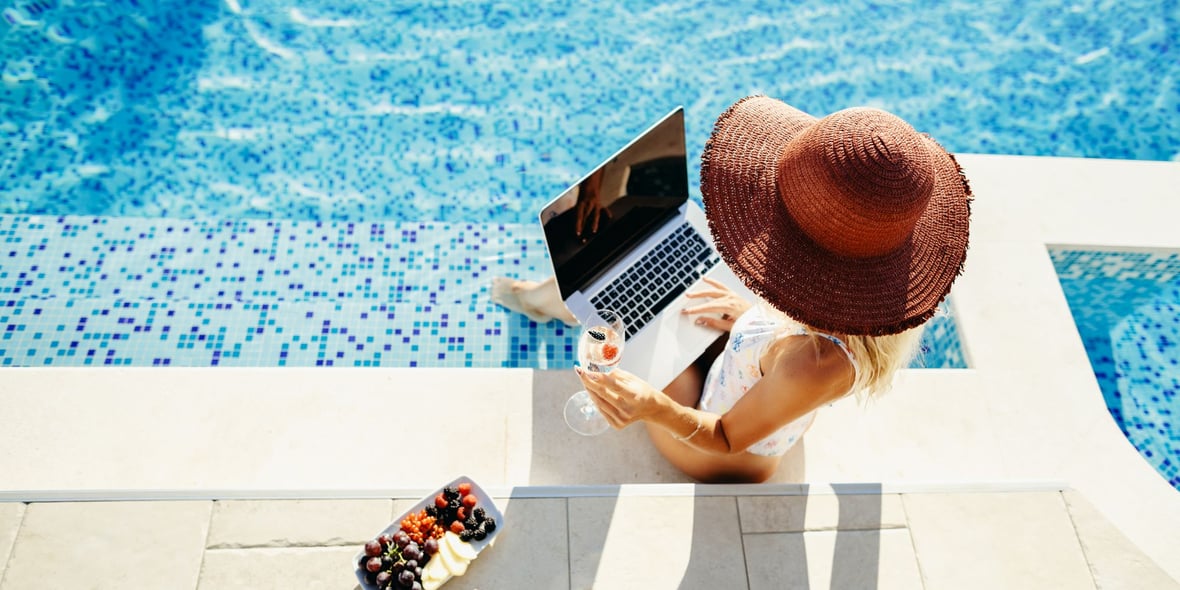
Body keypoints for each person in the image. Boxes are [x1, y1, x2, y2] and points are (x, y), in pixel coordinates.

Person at [498, 95, 972, 482]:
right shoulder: (848, 315)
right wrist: (751, 317)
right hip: (744, 380)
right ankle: (560, 296)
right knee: (658, 296)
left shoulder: (815, 364)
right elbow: (780, 358)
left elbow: (724, 436)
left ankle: (550, 299)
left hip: (718, 453)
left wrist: (652, 406)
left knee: (621, 323)